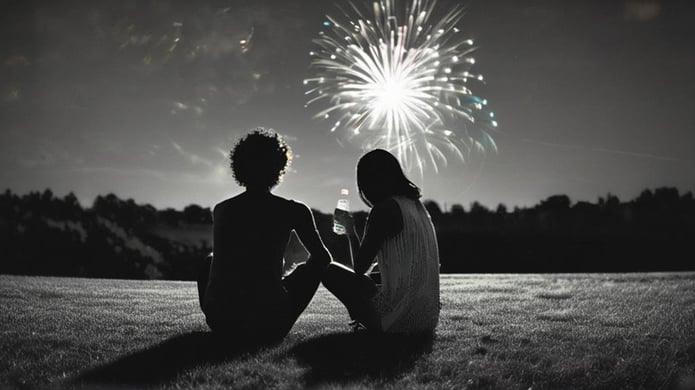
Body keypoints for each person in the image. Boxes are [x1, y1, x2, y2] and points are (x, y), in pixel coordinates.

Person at [197, 128, 331, 342]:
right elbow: (323, 258)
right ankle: (274, 325)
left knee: (209, 260)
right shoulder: (293, 210)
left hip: (220, 320)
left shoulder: (222, 209)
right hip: (267, 322)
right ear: (278, 166)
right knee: (312, 267)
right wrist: (290, 278)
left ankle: (227, 319)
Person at [322, 149, 440, 334]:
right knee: (374, 279)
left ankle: (365, 320)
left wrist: (351, 232)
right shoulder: (417, 207)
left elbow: (360, 268)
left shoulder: (384, 209)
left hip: (399, 320)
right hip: (427, 319)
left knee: (328, 271)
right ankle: (363, 319)